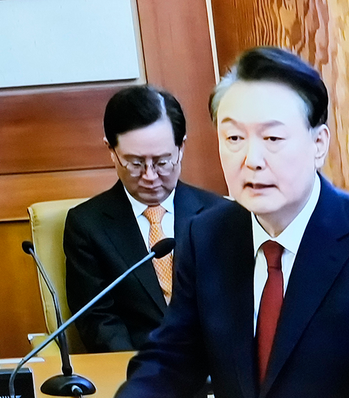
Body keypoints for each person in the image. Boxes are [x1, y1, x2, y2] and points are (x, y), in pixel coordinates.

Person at [76, 46, 349, 398]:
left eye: (272, 138)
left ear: (319, 143)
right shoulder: (207, 236)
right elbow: (174, 357)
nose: (251, 159)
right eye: (233, 138)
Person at [64, 85, 228, 352]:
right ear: (111, 151)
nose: (150, 176)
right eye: (135, 163)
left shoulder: (220, 215)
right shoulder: (87, 225)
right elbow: (98, 320)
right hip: (136, 365)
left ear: (181, 148)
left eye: (162, 162)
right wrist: (141, 370)